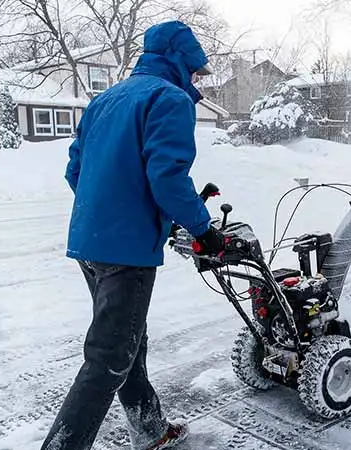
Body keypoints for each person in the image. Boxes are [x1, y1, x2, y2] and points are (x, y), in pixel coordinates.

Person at [42, 20, 226, 450]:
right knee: (108, 360)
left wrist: (111, 209)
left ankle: (150, 430)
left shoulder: (105, 100)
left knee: (126, 344)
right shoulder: (170, 99)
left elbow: (75, 170)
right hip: (127, 253)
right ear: (181, 61)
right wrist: (204, 229)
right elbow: (167, 178)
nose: (197, 78)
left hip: (89, 243)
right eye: (196, 70)